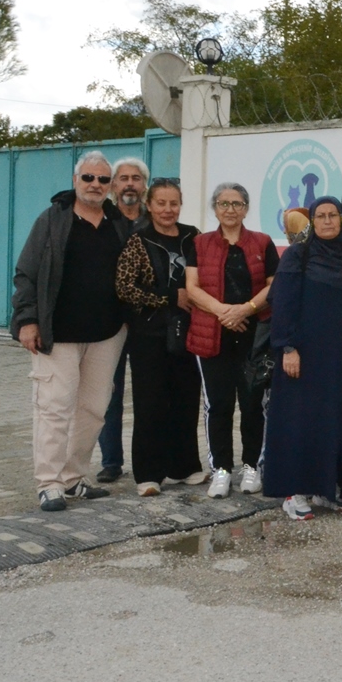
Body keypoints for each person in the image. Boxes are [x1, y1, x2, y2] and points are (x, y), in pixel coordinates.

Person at [12, 152, 132, 512]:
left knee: (94, 409)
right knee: (54, 408)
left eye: (102, 180)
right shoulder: (52, 220)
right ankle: (48, 483)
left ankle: (74, 478)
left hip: (107, 334)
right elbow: (26, 272)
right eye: (88, 178)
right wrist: (26, 320)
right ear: (76, 179)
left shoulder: (119, 223)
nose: (95, 185)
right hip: (58, 333)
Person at [263, 197, 342, 521]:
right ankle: (294, 493)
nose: (327, 221)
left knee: (335, 423)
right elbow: (282, 303)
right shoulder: (298, 255)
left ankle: (326, 488)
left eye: (332, 215)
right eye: (320, 216)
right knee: (300, 423)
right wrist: (287, 349)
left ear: (341, 219)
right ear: (312, 221)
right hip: (303, 357)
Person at [186, 182, 278, 500]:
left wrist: (246, 310)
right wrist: (224, 313)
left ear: (246, 209)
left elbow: (272, 285)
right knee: (218, 405)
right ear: (214, 208)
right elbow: (193, 288)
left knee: (253, 404)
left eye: (237, 204)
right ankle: (221, 470)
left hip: (253, 336)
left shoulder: (262, 243)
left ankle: (252, 466)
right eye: (224, 203)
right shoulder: (198, 243)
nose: (230, 209)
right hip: (212, 336)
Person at [113, 178, 203, 496]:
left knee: (187, 400)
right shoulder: (139, 240)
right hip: (149, 334)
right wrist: (169, 297)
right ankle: (148, 474)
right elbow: (125, 288)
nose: (168, 209)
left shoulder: (194, 237)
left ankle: (184, 467)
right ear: (149, 205)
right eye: (161, 203)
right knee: (150, 403)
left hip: (189, 332)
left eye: (173, 203)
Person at [95, 155, 149, 483]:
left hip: (146, 321)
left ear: (144, 185)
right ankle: (111, 461)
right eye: (123, 178)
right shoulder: (101, 220)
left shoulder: (155, 220)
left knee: (147, 393)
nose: (129, 183)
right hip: (109, 322)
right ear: (113, 185)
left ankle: (149, 461)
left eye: (136, 178)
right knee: (108, 394)